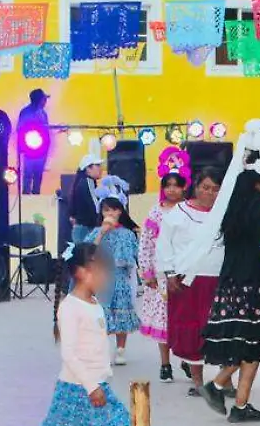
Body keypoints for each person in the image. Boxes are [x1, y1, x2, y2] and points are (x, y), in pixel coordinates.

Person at [21, 242, 177, 426]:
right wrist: (92, 386)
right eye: (100, 269)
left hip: (96, 388)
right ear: (82, 272)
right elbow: (69, 354)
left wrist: (101, 379)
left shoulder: (94, 304)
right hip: (78, 391)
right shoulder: (70, 308)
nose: (106, 275)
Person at [200, 132, 260, 423]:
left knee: (247, 341)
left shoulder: (232, 208)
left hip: (231, 282)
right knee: (254, 341)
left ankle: (239, 403)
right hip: (257, 284)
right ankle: (218, 385)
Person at [157, 167, 226, 397]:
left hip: (219, 279)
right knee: (193, 328)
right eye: (205, 187)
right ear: (195, 187)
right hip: (188, 282)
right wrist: (169, 274)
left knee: (220, 328)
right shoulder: (178, 213)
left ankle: (225, 381)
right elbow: (164, 245)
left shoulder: (224, 212)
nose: (210, 193)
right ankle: (198, 381)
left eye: (216, 189)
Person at [139, 172, 186, 383]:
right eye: (168, 185)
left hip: (186, 273)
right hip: (162, 275)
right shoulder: (156, 212)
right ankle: (165, 364)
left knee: (186, 319)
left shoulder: (189, 210)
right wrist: (147, 272)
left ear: (184, 188)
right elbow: (146, 244)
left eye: (176, 185)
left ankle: (187, 360)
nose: (172, 189)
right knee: (164, 320)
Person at [83, 197, 140, 365]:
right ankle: (100, 349)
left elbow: (133, 257)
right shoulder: (96, 232)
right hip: (101, 278)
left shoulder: (127, 233)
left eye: (114, 209)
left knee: (121, 312)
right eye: (106, 210)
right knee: (101, 314)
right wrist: (101, 233)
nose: (110, 213)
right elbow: (87, 252)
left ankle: (121, 349)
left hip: (121, 278)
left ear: (121, 211)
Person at [17, 89, 51, 194]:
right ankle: (26, 196)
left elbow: (46, 130)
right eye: (44, 99)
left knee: (38, 175)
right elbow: (20, 130)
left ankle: (36, 195)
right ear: (39, 100)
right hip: (29, 149)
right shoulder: (26, 112)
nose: (45, 102)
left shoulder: (43, 113)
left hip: (42, 149)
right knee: (28, 174)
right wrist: (21, 148)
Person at [69, 154, 104, 244]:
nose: (101, 168)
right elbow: (96, 207)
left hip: (81, 229)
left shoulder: (81, 182)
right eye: (97, 165)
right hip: (85, 230)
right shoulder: (88, 182)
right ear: (88, 168)